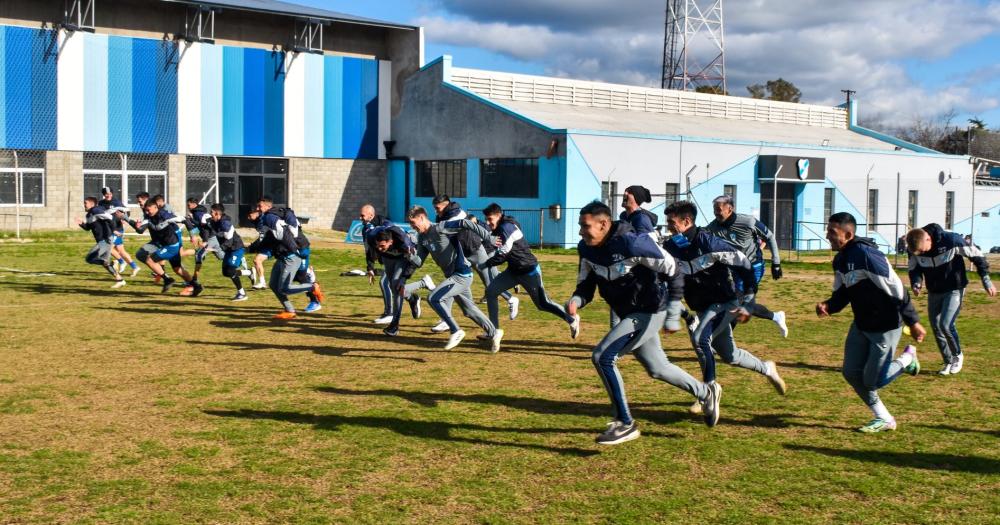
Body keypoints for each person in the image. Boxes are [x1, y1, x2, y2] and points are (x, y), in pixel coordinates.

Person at [566, 201, 720, 445]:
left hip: (650, 310)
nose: (581, 232)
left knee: (602, 357)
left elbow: (674, 269)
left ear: (604, 224)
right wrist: (576, 301)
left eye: (585, 226)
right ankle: (706, 392)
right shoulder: (586, 248)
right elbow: (585, 286)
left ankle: (625, 423)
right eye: (580, 226)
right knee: (658, 368)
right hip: (629, 313)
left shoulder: (632, 242)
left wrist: (672, 314)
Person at [663, 201, 787, 416]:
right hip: (702, 307)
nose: (668, 226)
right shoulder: (672, 246)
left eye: (671, 222)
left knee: (700, 340)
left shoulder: (710, 242)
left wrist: (748, 299)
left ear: (686, 221)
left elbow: (745, 265)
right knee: (730, 355)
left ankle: (708, 392)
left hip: (725, 302)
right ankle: (768, 369)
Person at [817, 212, 926, 433]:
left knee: (873, 381)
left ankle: (907, 359)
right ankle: (884, 418)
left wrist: (913, 321)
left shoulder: (867, 256)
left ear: (848, 234)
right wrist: (829, 305)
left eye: (832, 232)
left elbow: (896, 288)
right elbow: (842, 293)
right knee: (851, 372)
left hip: (885, 326)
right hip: (861, 324)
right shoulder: (840, 260)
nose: (827, 235)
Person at [479, 203, 579, 342]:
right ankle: (493, 331)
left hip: (529, 271)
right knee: (491, 292)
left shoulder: (506, 227)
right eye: (486, 220)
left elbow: (503, 253)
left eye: (490, 219)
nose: (488, 223)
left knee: (543, 304)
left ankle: (571, 319)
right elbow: (494, 243)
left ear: (499, 215)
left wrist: (487, 263)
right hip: (513, 271)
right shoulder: (503, 226)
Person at [905, 223, 995, 375]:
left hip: (955, 287)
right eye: (917, 252)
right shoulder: (914, 248)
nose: (920, 254)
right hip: (934, 290)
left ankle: (957, 355)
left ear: (928, 239)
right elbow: (914, 268)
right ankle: (948, 361)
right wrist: (916, 282)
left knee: (945, 324)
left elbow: (977, 256)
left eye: (922, 251)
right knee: (936, 326)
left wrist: (985, 279)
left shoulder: (951, 240)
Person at [406, 206, 499, 351]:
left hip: (462, 274)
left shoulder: (440, 228)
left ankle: (456, 331)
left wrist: (489, 237)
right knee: (469, 310)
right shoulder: (422, 237)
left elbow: (465, 223)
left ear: (422, 218)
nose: (412, 226)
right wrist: (408, 254)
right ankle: (494, 332)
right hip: (452, 277)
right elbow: (419, 261)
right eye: (410, 224)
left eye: (413, 223)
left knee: (433, 298)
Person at [706, 195, 788, 337]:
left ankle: (720, 340)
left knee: (738, 302)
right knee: (736, 303)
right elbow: (700, 238)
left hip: (754, 266)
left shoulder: (748, 221)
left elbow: (770, 237)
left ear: (730, 208)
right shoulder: (713, 227)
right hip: (735, 269)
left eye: (719, 209)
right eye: (714, 209)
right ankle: (776, 316)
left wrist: (776, 263)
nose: (716, 213)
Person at [433, 195, 519, 328]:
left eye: (437, 208)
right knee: (452, 281)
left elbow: (451, 227)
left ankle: (511, 299)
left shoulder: (457, 212)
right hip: (460, 253)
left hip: (474, 249)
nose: (436, 211)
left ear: (445, 205)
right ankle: (446, 320)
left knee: (489, 283)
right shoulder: (440, 217)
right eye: (435, 209)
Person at [251, 202, 324, 318]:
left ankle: (312, 287)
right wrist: (252, 248)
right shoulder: (267, 218)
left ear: (268, 206)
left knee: (287, 287)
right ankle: (290, 310)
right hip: (282, 257)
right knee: (274, 285)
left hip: (292, 256)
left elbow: (285, 236)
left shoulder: (271, 218)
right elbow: (270, 239)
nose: (257, 209)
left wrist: (294, 249)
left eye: (259, 206)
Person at [126, 199, 199, 295]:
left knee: (150, 260)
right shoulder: (148, 217)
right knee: (177, 269)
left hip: (171, 245)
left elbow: (185, 219)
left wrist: (193, 235)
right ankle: (197, 287)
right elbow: (140, 230)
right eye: (146, 210)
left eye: (149, 210)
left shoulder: (165, 216)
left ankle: (167, 279)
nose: (147, 212)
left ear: (155, 207)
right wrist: (134, 223)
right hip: (162, 244)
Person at [366, 224, 426, 336]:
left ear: (391, 241)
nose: (379, 249)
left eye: (382, 246)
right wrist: (370, 268)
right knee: (395, 289)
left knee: (396, 285)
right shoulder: (372, 237)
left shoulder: (405, 244)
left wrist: (403, 278)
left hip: (402, 258)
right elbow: (370, 251)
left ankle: (394, 325)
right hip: (388, 258)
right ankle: (412, 298)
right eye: (378, 246)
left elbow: (414, 264)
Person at [77, 197, 126, 288]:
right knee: (104, 263)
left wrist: (114, 230)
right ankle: (120, 280)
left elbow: (110, 218)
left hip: (105, 239)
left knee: (89, 258)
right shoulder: (89, 215)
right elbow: (88, 228)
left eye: (85, 203)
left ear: (92, 204)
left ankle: (112, 263)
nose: (84, 205)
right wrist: (81, 224)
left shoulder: (96, 210)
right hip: (102, 240)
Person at [360, 204, 397, 324]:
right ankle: (414, 296)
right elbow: (368, 249)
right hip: (386, 259)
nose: (360, 218)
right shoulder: (365, 229)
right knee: (394, 286)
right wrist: (370, 268)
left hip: (397, 257)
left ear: (371, 215)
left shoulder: (384, 223)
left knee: (384, 283)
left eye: (362, 215)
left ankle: (389, 313)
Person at [208, 203, 253, 301]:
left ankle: (242, 293)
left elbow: (229, 240)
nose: (210, 214)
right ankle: (249, 272)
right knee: (226, 272)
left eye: (211, 212)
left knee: (230, 271)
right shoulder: (214, 222)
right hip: (229, 249)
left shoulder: (225, 223)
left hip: (236, 248)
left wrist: (217, 249)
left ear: (217, 213)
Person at [97, 187, 139, 277]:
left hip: (117, 228)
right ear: (103, 195)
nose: (108, 195)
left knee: (108, 247)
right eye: (106, 194)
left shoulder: (116, 202)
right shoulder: (101, 203)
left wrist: (124, 218)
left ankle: (121, 261)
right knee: (121, 250)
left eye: (110, 194)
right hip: (108, 228)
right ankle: (135, 267)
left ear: (112, 194)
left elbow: (126, 210)